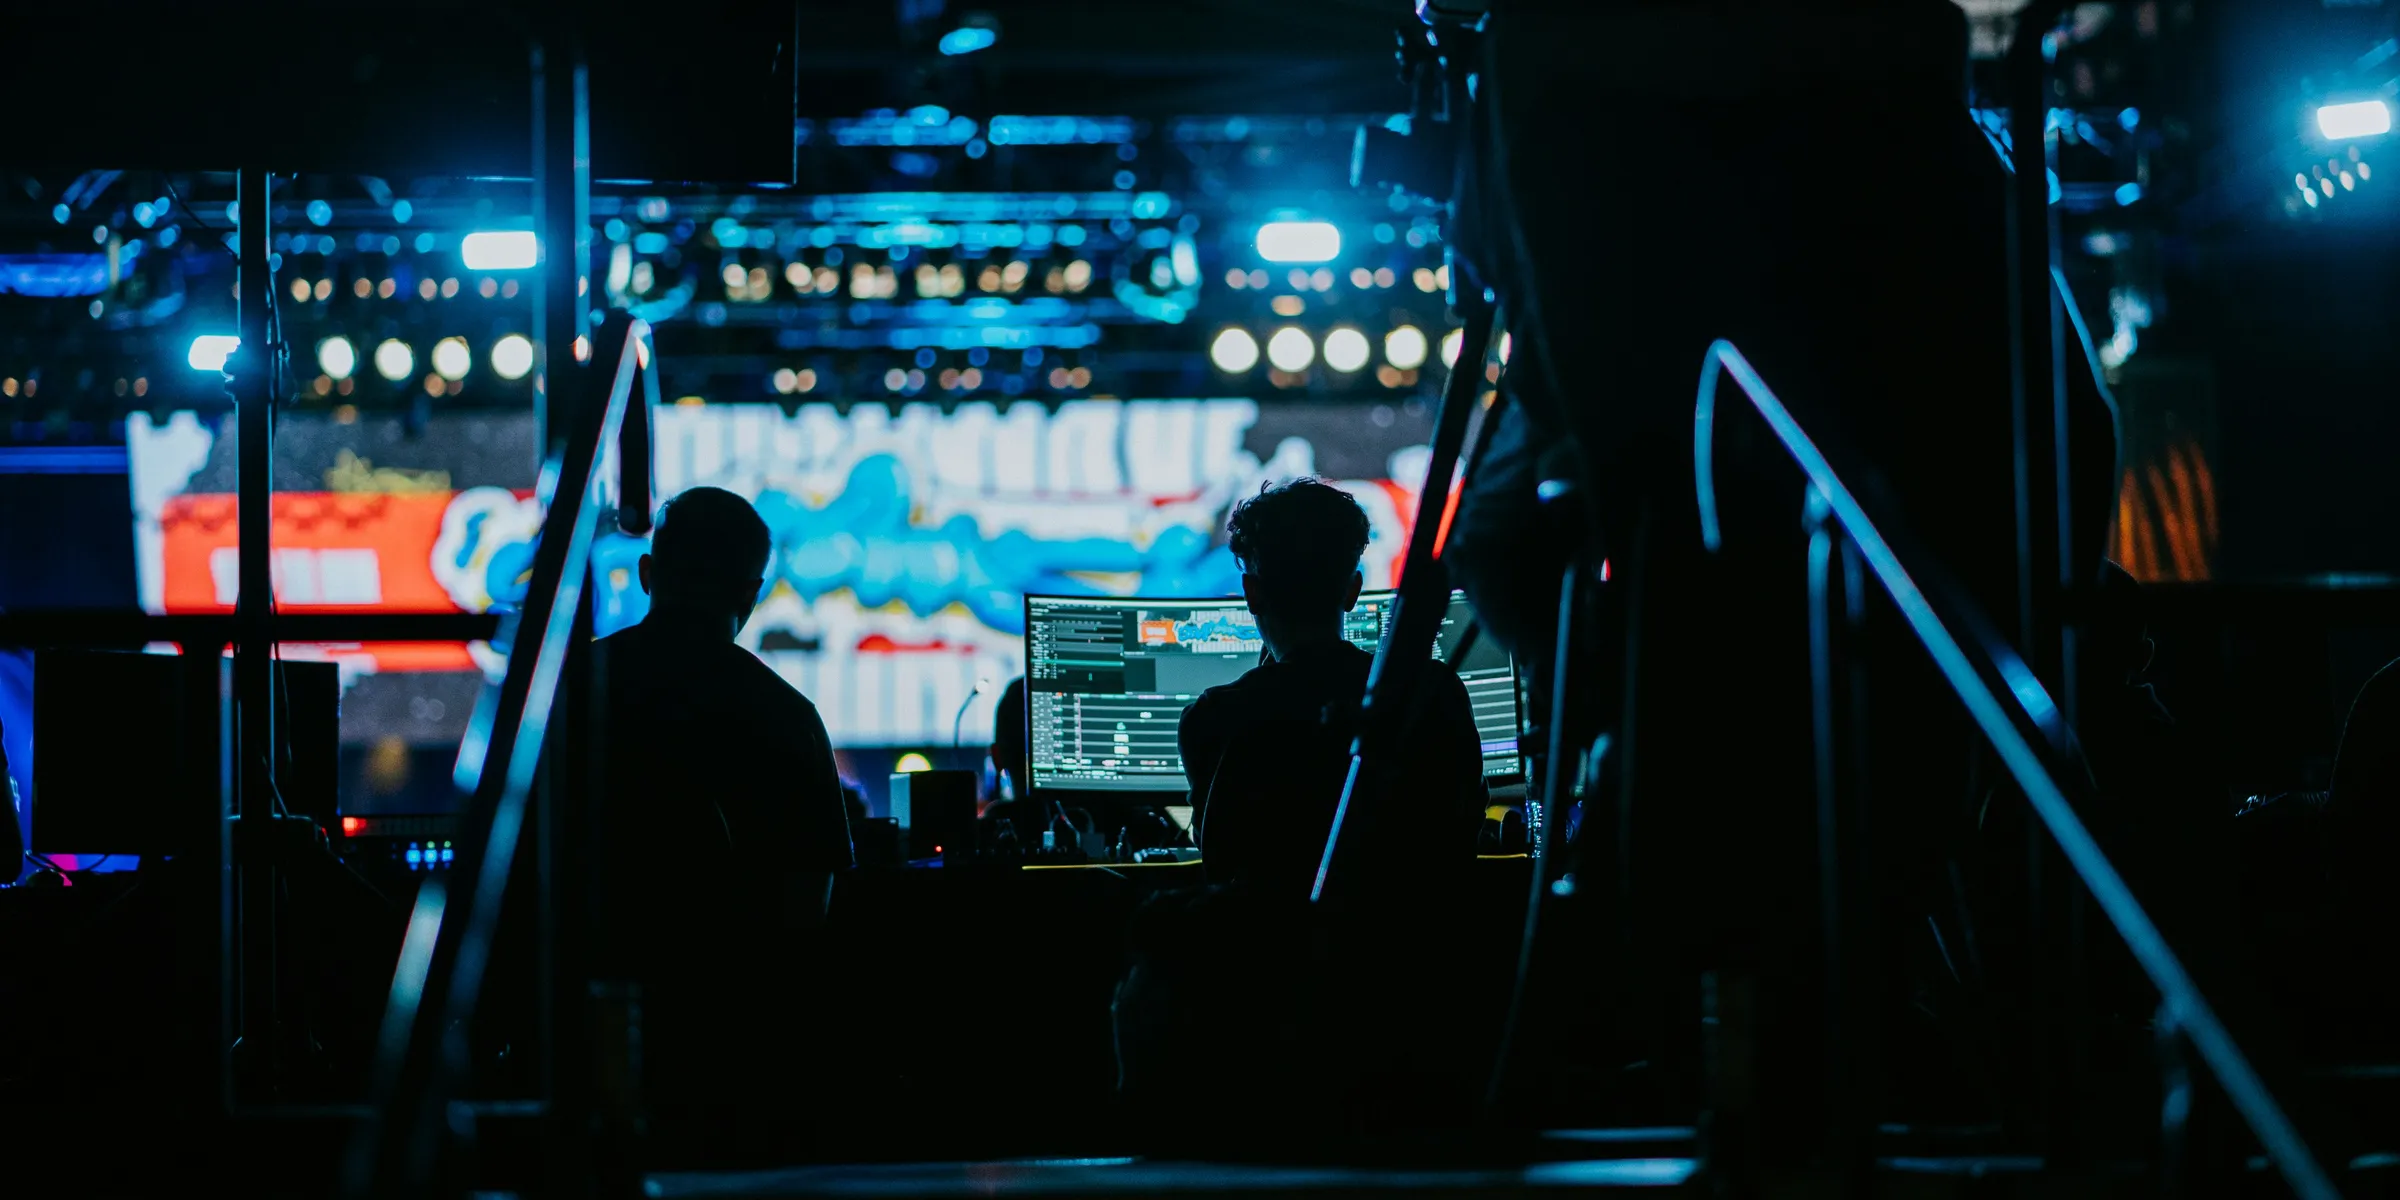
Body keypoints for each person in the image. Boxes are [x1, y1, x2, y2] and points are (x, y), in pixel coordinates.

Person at [593, 486, 852, 1155]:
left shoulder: (564, 695)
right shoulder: (788, 718)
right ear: (753, 590)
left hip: (576, 1045)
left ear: (649, 575)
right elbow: (805, 918)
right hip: (737, 1071)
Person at [1177, 478, 1486, 895]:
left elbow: (1219, 859)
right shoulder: (1435, 692)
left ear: (1251, 594)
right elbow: (1463, 836)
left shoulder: (1214, 717)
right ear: (1353, 591)